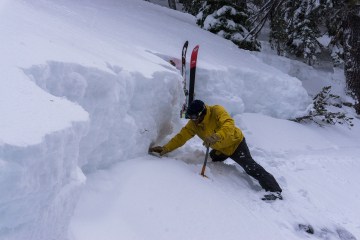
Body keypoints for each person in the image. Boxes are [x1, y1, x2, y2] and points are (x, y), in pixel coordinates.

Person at [149, 100, 283, 201]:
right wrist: (165, 149)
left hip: (235, 145)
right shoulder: (194, 124)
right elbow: (181, 137)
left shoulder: (217, 111)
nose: (193, 121)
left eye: (194, 117)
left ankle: (274, 191)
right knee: (212, 161)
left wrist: (217, 136)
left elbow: (229, 125)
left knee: (249, 166)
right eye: (190, 118)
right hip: (219, 149)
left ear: (202, 113)